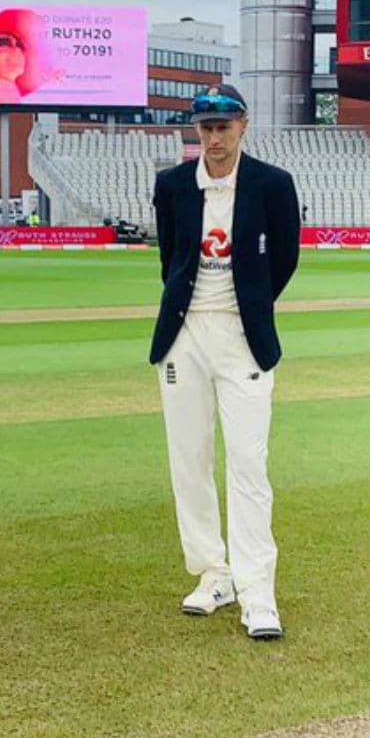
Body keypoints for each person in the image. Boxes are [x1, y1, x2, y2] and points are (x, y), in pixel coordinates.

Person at [148, 84, 301, 640]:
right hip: (183, 337)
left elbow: (284, 258)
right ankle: (214, 573)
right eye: (206, 127)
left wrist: (249, 307)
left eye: (225, 126)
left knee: (247, 463)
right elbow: (172, 259)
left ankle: (258, 591)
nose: (215, 137)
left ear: (243, 126)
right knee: (188, 460)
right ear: (196, 129)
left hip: (243, 339)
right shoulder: (171, 186)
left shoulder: (272, 184)